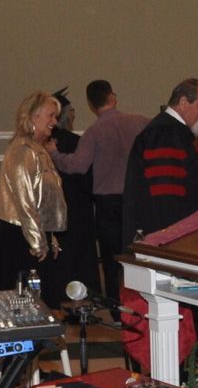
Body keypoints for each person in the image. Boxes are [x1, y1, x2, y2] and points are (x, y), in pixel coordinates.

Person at [121, 78, 198, 370]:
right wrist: (184, 251)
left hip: (170, 251)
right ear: (182, 103)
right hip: (172, 253)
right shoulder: (166, 135)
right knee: (177, 332)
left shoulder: (171, 134)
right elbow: (169, 206)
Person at [50, 78, 145, 315]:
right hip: (135, 200)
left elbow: (78, 166)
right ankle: (141, 308)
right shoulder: (139, 123)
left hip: (107, 204)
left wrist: (54, 154)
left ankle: (117, 311)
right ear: (113, 97)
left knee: (112, 261)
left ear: (93, 105)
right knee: (137, 257)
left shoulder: (94, 132)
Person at [0, 90, 68, 294]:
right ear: (34, 116)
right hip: (18, 236)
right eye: (50, 115)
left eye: (55, 116)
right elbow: (25, 201)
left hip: (32, 231)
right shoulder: (22, 150)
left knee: (43, 298)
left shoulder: (38, 149)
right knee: (21, 299)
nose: (55, 121)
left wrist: (50, 236)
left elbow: (45, 198)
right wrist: (37, 240)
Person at [41, 88, 94, 310]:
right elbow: (86, 176)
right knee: (78, 258)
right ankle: (79, 296)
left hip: (50, 208)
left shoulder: (40, 144)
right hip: (78, 207)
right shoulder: (76, 142)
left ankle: (52, 295)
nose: (73, 116)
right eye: (71, 112)